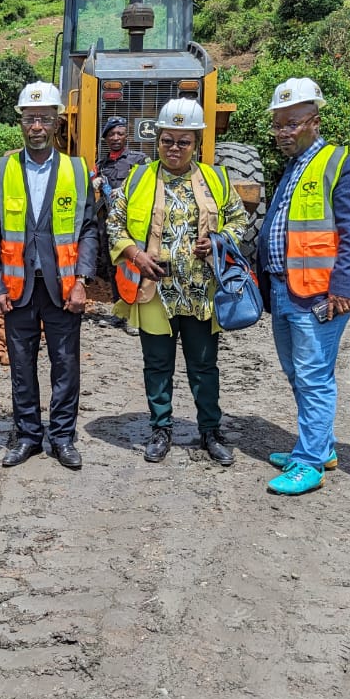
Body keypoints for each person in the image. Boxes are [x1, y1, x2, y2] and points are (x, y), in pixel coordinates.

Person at [107, 98, 248, 465]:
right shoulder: (140, 178)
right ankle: (161, 428)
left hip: (202, 293)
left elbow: (238, 220)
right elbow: (113, 223)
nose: (174, 148)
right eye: (168, 140)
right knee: (157, 364)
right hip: (155, 292)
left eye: (183, 142)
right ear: (158, 140)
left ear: (197, 143)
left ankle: (210, 431)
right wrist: (135, 255)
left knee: (204, 365)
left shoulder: (215, 178)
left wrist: (219, 240)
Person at [256, 77, 350, 496]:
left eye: (291, 123)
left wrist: (344, 283)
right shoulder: (292, 168)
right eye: (278, 125)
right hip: (286, 289)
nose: (282, 132)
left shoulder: (342, 163)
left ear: (314, 121)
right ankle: (319, 447)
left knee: (313, 374)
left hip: (320, 292)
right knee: (297, 372)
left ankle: (309, 464)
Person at [0, 81, 98, 470]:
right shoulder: (0, 169)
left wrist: (82, 279)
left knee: (65, 364)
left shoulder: (77, 170)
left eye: (44, 119)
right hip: (17, 289)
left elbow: (89, 230)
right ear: (20, 122)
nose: (36, 126)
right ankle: (29, 434)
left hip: (63, 287)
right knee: (20, 365)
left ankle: (62, 436)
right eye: (30, 118)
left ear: (56, 123)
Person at [94, 116, 149, 292]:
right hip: (109, 222)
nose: (116, 137)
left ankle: (137, 304)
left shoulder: (139, 160)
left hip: (132, 221)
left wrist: (127, 190)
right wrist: (94, 182)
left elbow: (149, 184)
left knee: (134, 262)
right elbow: (89, 181)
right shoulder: (101, 164)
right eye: (111, 134)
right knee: (112, 263)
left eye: (120, 133)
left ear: (127, 137)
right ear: (106, 138)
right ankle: (119, 305)